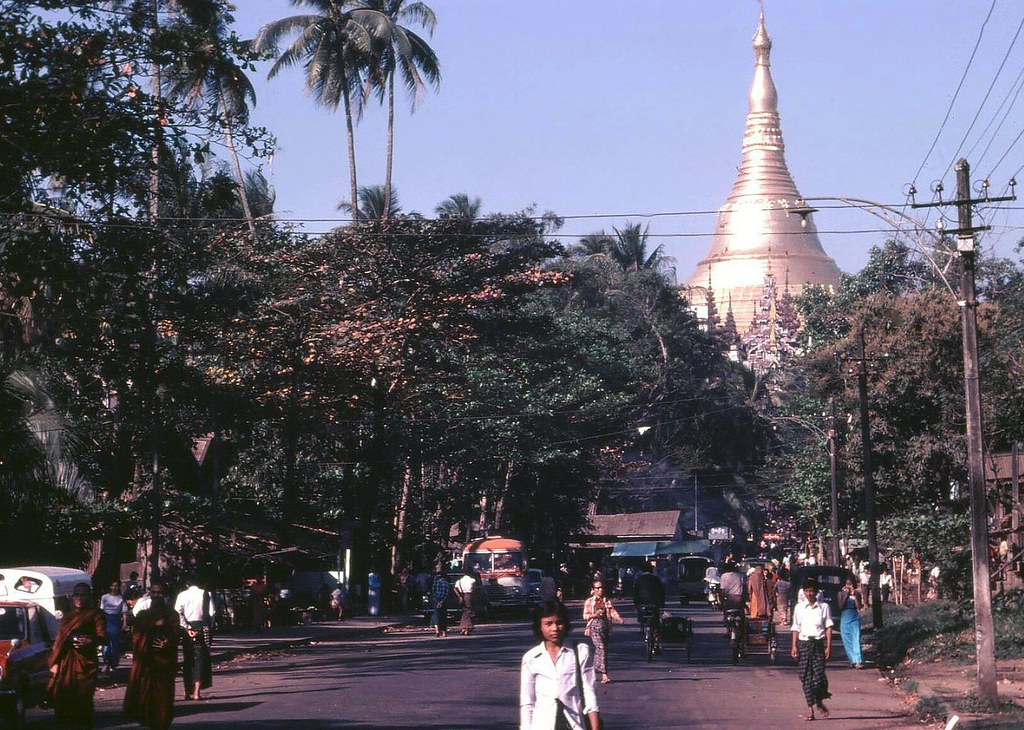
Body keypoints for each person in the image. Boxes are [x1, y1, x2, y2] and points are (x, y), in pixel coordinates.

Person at [520, 599, 600, 730]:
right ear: (540, 626)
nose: (555, 628)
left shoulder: (580, 652)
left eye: (559, 623)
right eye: (548, 624)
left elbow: (589, 693)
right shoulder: (531, 658)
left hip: (574, 724)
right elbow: (527, 702)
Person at [48, 582, 106, 730]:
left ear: (89, 596)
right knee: (63, 698)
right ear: (72, 597)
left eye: (83, 595)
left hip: (86, 663)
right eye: (77, 595)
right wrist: (55, 663)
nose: (79, 598)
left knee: (83, 699)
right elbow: (60, 641)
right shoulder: (68, 616)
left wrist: (91, 640)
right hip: (67, 661)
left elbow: (103, 637)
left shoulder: (96, 614)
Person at [123, 580, 180, 730]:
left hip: (164, 662)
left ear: (164, 594)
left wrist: (167, 643)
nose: (157, 595)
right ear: (150, 594)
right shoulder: (143, 615)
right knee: (145, 696)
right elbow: (136, 637)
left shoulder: (171, 614)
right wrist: (153, 626)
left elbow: (175, 635)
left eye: (159, 593)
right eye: (154, 593)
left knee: (163, 699)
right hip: (146, 661)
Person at [791, 578, 834, 721]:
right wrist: (794, 645)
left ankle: (819, 700)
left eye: (812, 591)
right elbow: (796, 628)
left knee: (818, 677)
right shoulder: (799, 608)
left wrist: (829, 646)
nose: (809, 594)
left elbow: (828, 627)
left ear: (816, 592)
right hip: (804, 644)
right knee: (805, 677)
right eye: (807, 591)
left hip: (818, 644)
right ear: (803, 592)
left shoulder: (824, 607)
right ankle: (810, 708)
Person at [174, 576, 215, 701]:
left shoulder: (182, 595)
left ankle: (187, 692)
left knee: (188, 659)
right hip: (202, 626)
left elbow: (177, 612)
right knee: (200, 659)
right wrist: (209, 627)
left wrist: (187, 628)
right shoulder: (206, 594)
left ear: (187, 585)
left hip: (187, 628)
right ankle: (197, 692)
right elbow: (212, 613)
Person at [582, 578, 623, 684]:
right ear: (593, 589)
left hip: (605, 628)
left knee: (600, 651)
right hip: (594, 627)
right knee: (601, 648)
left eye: (601, 588)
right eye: (597, 588)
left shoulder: (606, 601)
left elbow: (612, 611)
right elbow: (585, 616)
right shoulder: (589, 602)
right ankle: (605, 675)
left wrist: (619, 619)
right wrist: (594, 615)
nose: (600, 590)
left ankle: (593, 670)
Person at [99, 580, 130, 674]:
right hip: (106, 620)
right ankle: (106, 663)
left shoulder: (121, 598)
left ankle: (114, 664)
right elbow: (101, 610)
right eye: (113, 585)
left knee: (115, 644)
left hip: (116, 621)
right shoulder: (104, 597)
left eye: (116, 586)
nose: (115, 588)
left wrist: (125, 624)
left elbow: (124, 612)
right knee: (106, 643)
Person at [632, 563, 665, 644]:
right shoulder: (656, 579)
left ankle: (642, 627)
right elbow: (662, 592)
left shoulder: (639, 579)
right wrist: (662, 603)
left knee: (643, 615)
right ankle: (657, 636)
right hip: (655, 603)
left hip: (642, 603)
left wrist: (636, 605)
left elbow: (635, 593)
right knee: (656, 620)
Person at [838, 577, 863, 669]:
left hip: (854, 616)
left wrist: (855, 596)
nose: (849, 586)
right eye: (847, 584)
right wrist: (846, 596)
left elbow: (859, 606)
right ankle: (852, 659)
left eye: (851, 584)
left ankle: (858, 660)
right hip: (845, 616)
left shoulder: (857, 593)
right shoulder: (841, 593)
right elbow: (840, 606)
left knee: (856, 638)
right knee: (847, 639)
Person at [453, 567, 478, 636]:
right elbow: (474, 589)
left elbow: (455, 588)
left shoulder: (459, 581)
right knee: (469, 612)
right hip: (469, 596)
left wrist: (459, 596)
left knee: (464, 611)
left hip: (462, 596)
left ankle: (463, 628)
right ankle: (467, 627)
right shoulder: (472, 580)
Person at [430, 568, 451, 637]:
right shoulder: (447, 584)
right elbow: (447, 594)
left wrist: (437, 601)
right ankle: (444, 632)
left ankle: (437, 630)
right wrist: (442, 602)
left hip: (436, 600)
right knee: (443, 616)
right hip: (444, 601)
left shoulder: (435, 583)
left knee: (436, 615)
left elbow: (433, 592)